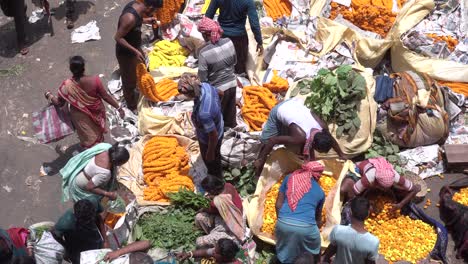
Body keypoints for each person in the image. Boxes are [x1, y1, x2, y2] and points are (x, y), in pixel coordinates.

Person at [45, 56, 124, 149]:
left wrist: (49, 95)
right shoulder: (95, 80)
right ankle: (100, 147)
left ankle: (93, 152)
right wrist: (119, 108)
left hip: (80, 116)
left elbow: (59, 103)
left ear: (71, 69)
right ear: (84, 68)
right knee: (97, 132)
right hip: (96, 112)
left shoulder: (67, 85)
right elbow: (105, 97)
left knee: (88, 137)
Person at [254, 97, 344, 177]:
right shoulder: (299, 137)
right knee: (265, 141)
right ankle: (257, 169)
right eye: (317, 150)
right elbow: (272, 140)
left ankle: (286, 126)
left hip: (295, 106)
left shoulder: (323, 128)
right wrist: (261, 160)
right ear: (313, 143)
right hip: (282, 108)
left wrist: (341, 154)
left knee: (296, 143)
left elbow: (332, 140)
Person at [114, 0, 162, 111]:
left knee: (143, 65)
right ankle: (131, 105)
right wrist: (135, 51)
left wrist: (147, 20)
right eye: (154, 10)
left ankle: (137, 84)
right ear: (150, 7)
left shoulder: (137, 7)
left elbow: (137, 20)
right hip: (126, 53)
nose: (154, 13)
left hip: (134, 47)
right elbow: (118, 37)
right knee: (128, 81)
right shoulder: (130, 18)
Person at [275, 161, 325, 263]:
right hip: (306, 228)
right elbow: (317, 220)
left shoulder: (289, 178)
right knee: (315, 249)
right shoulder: (320, 192)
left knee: (286, 250)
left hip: (283, 223)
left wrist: (282, 221)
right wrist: (320, 225)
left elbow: (278, 205)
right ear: (317, 175)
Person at [178, 73, 224, 177]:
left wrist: (210, 152)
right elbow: (221, 93)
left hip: (209, 139)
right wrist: (217, 110)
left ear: (191, 94)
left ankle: (216, 178)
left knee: (212, 161)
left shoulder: (204, 113)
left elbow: (213, 136)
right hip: (218, 125)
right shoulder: (206, 86)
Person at [197, 17, 238, 129]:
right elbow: (234, 62)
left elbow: (203, 79)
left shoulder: (203, 53)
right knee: (230, 115)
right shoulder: (229, 42)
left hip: (219, 90)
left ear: (205, 35)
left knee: (217, 117)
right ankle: (232, 130)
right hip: (233, 84)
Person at [340, 157, 421, 211]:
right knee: (344, 189)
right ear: (376, 182)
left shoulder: (394, 175)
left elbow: (416, 189)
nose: (384, 190)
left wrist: (400, 204)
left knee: (403, 191)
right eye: (382, 188)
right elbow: (353, 194)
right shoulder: (369, 178)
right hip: (361, 168)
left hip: (381, 167)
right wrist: (367, 205)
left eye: (386, 188)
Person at [205, 0, 263, 75]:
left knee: (222, 67)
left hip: (222, 37)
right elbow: (254, 25)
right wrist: (259, 42)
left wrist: (208, 37)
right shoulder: (248, 1)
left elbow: (208, 17)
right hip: (239, 40)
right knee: (239, 69)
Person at [60, 142, 130, 204]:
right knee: (94, 202)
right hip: (81, 184)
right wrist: (108, 194)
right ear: (115, 160)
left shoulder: (105, 147)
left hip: (79, 174)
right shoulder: (105, 173)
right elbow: (89, 187)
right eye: (121, 163)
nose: (120, 165)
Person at [321, 197, 380, 264]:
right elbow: (370, 262)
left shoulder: (338, 230)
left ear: (350, 212)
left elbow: (331, 249)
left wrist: (325, 259)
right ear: (367, 215)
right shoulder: (373, 242)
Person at [195, 176, 245, 248]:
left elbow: (211, 210)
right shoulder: (228, 185)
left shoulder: (217, 201)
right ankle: (213, 233)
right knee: (200, 218)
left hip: (233, 229)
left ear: (212, 191)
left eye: (208, 191)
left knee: (199, 241)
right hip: (241, 214)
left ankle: (214, 236)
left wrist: (203, 209)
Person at [51, 199, 107, 264]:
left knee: (99, 252)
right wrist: (66, 249)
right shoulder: (66, 222)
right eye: (85, 220)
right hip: (75, 242)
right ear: (75, 214)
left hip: (93, 235)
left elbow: (99, 218)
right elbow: (55, 234)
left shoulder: (94, 203)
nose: (87, 222)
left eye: (90, 219)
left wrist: (105, 240)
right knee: (78, 260)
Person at [177, 238, 241, 263]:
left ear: (224, 258)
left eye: (216, 252)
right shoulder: (216, 252)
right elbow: (203, 252)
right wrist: (188, 254)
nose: (213, 251)